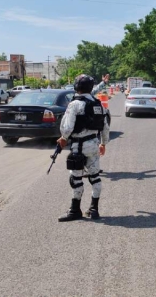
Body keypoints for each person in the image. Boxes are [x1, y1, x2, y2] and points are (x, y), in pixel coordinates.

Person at [57, 74, 110, 222]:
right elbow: (105, 127)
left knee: (76, 178)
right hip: (93, 145)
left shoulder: (75, 104)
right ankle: (94, 210)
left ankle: (75, 210)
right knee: (95, 177)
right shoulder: (98, 104)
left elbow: (67, 127)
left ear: (76, 87)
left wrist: (63, 138)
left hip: (78, 147)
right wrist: (103, 143)